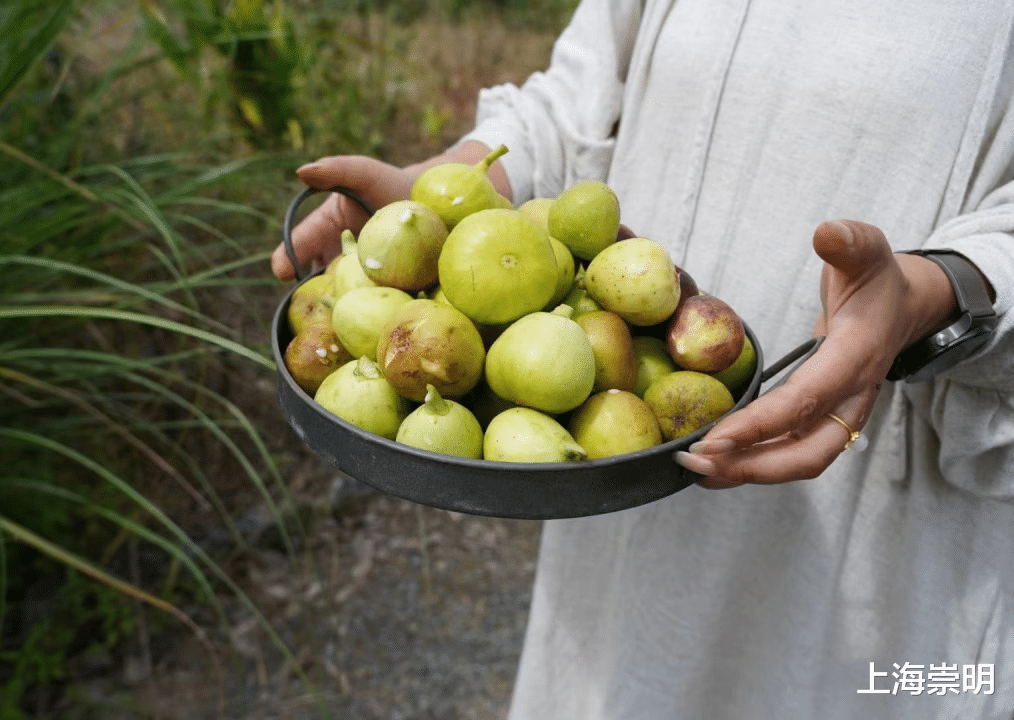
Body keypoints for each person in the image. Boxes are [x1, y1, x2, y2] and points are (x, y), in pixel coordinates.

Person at [273, 1, 1014, 717]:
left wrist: (939, 290)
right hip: (609, 432)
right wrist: (443, 207)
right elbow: (576, 104)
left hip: (884, 490)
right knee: (626, 673)